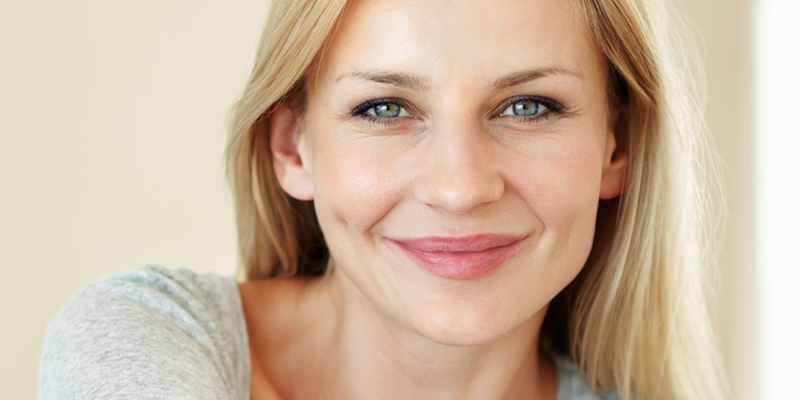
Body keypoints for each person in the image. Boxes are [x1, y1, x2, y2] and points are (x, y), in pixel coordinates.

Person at [39, 0, 728, 399]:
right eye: (384, 109)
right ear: (292, 148)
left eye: (527, 105)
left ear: (617, 145)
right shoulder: (148, 341)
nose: (458, 188)